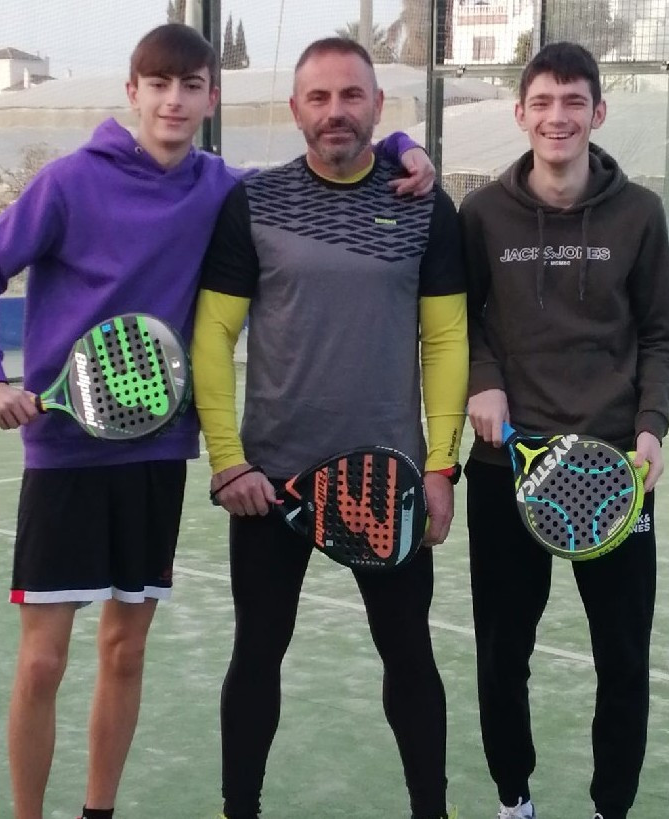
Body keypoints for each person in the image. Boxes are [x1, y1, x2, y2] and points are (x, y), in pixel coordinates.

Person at [0, 23, 435, 819]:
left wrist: (401, 146)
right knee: (41, 664)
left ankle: (97, 811)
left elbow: (326, 153)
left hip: (156, 456)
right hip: (64, 457)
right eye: (158, 84)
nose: (173, 100)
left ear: (211, 99)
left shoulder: (223, 190)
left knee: (124, 650)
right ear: (132, 93)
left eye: (191, 85)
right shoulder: (68, 182)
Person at [191, 36, 468, 819]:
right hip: (271, 482)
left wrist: (439, 466)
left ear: (378, 106)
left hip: (386, 483)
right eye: (318, 97)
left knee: (408, 656)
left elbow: (446, 340)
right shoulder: (254, 203)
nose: (335, 111)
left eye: (351, 95)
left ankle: (430, 810)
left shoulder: (423, 204)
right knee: (256, 653)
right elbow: (212, 335)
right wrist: (228, 461)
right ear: (295, 109)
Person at [457, 42, 669, 819]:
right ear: (520, 113)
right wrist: (482, 380)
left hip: (613, 470)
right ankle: (513, 797)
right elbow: (461, 320)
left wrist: (649, 428)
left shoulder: (639, 213)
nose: (557, 117)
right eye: (543, 102)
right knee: (501, 652)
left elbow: (659, 336)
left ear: (597, 112)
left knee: (621, 657)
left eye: (573, 102)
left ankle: (608, 807)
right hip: (505, 469)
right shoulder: (480, 214)